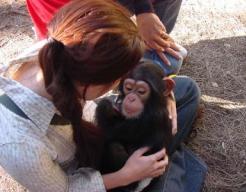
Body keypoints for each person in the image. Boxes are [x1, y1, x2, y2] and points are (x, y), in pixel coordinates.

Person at [0, 0, 202, 192]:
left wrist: (160, 95)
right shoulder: (20, 145)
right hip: (100, 178)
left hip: (106, 132)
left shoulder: (60, 45)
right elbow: (65, 189)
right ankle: (167, 165)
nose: (122, 84)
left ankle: (166, 163)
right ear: (94, 81)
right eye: (121, 79)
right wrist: (128, 174)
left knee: (188, 89)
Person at [26, 0, 186, 66]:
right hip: (72, 24)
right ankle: (135, 57)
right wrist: (144, 11)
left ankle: (153, 44)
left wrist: (145, 12)